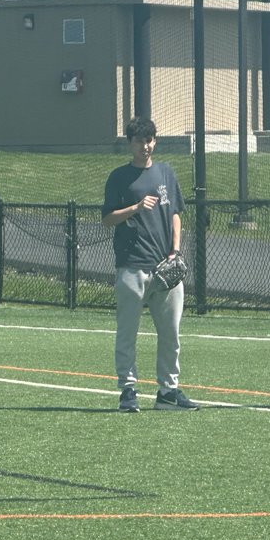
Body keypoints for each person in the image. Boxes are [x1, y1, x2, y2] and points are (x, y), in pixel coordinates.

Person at [102, 116, 198, 413]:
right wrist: (134, 207)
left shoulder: (166, 173)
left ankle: (168, 391)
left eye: (151, 139)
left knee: (171, 333)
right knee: (127, 332)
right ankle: (128, 390)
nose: (147, 145)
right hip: (132, 266)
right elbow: (107, 219)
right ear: (130, 143)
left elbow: (176, 214)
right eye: (141, 140)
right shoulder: (119, 177)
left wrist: (176, 250)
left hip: (164, 269)